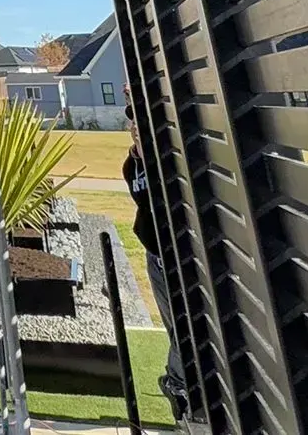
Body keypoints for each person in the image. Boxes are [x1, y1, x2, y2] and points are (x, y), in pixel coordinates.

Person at [123, 106, 189, 421]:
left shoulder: (173, 159)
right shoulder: (132, 167)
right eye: (133, 122)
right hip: (158, 257)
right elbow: (144, 201)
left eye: (142, 122)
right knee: (178, 327)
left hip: (180, 256)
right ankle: (179, 384)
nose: (136, 127)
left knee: (185, 327)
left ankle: (178, 383)